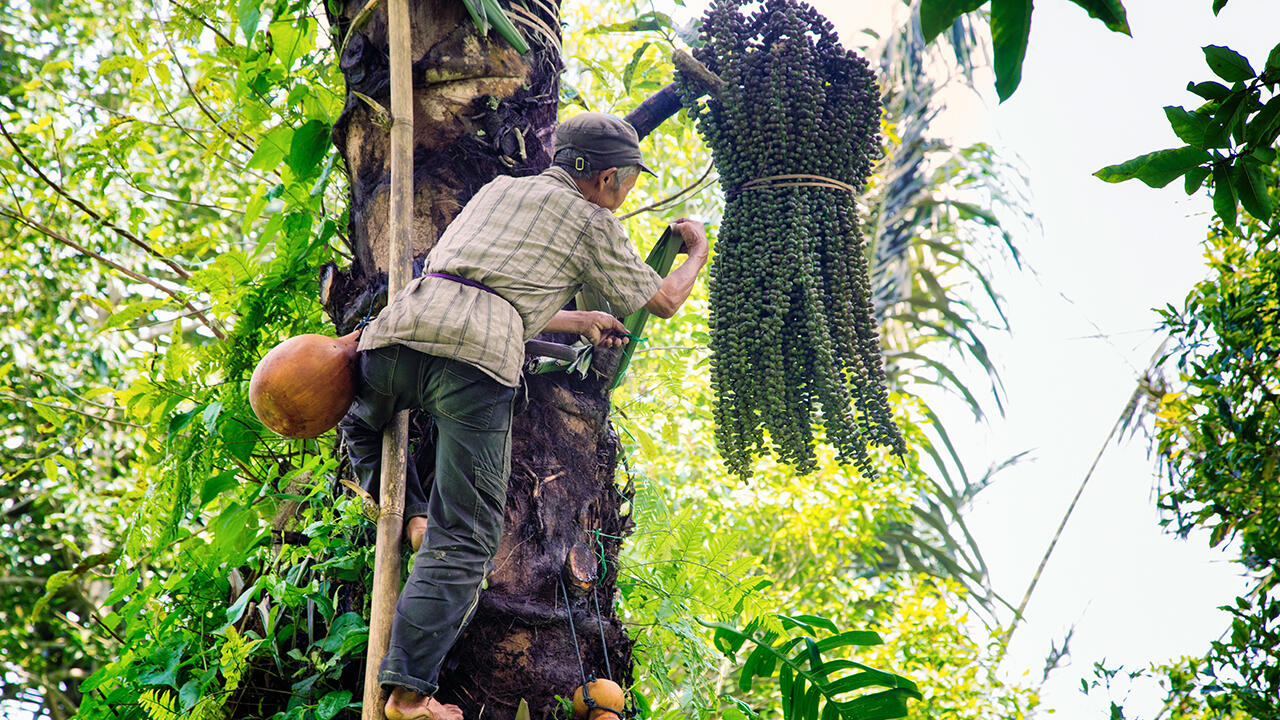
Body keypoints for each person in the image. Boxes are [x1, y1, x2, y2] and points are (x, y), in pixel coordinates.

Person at [338, 111, 709, 720]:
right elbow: (663, 301)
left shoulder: (502, 189)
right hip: (474, 366)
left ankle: (408, 517)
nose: (628, 195)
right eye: (630, 183)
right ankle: (408, 697)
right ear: (609, 178)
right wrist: (695, 251)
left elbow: (484, 284)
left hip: (396, 335)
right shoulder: (593, 222)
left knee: (359, 423)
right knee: (469, 538)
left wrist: (576, 320)